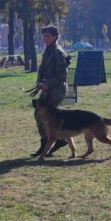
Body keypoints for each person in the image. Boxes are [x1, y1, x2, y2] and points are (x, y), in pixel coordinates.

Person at [32, 25, 69, 157]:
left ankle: (51, 143)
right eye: (44, 35)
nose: (45, 38)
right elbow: (41, 69)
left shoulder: (58, 52)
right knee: (39, 115)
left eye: (48, 36)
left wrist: (47, 84)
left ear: (55, 37)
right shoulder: (47, 50)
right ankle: (51, 142)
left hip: (57, 91)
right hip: (47, 89)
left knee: (43, 115)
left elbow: (62, 76)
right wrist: (39, 82)